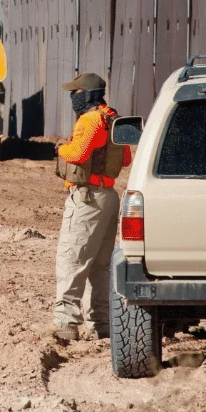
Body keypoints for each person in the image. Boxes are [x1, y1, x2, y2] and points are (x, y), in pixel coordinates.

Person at [52, 73, 132, 342]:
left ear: (86, 95)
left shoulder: (90, 120)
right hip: (109, 196)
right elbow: (127, 157)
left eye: (75, 93)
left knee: (72, 260)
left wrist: (61, 147)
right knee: (100, 265)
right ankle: (101, 323)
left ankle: (66, 323)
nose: (72, 97)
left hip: (86, 199)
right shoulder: (113, 118)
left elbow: (77, 154)